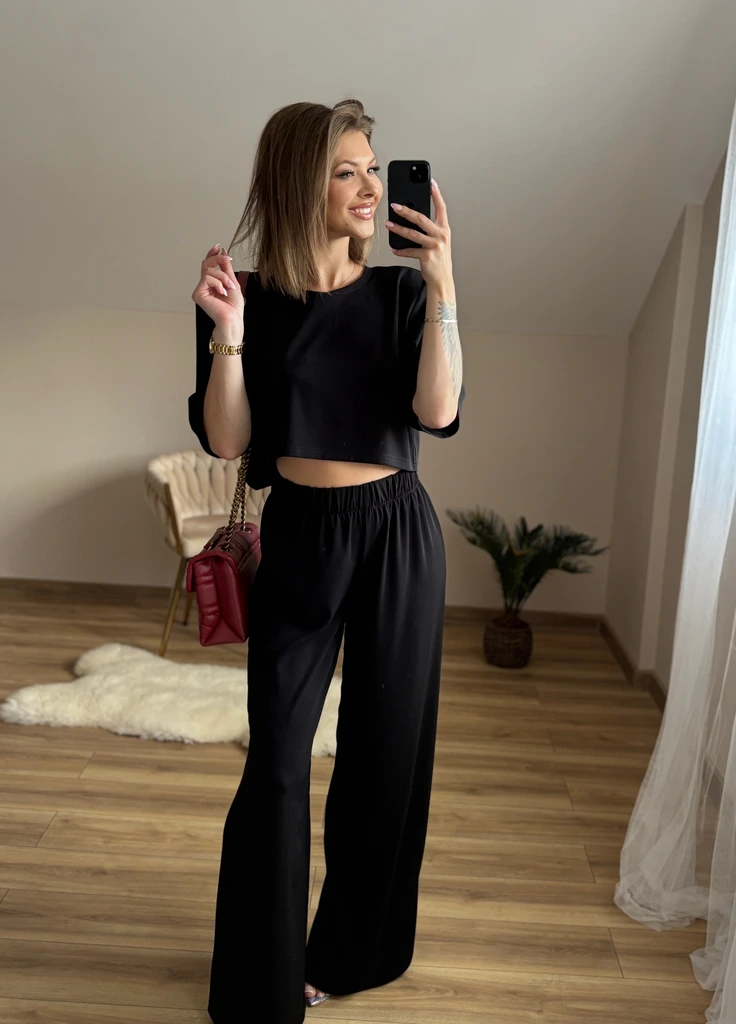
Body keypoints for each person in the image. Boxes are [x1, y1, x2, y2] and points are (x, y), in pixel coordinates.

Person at [188, 98, 466, 1024]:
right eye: (347, 171)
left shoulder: (402, 294)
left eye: (372, 170)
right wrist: (227, 333)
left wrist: (442, 285)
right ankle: (260, 985)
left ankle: (350, 954)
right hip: (303, 531)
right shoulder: (247, 297)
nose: (370, 187)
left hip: (397, 533)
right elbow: (229, 442)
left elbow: (436, 413)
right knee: (276, 760)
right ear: (300, 184)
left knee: (385, 759)